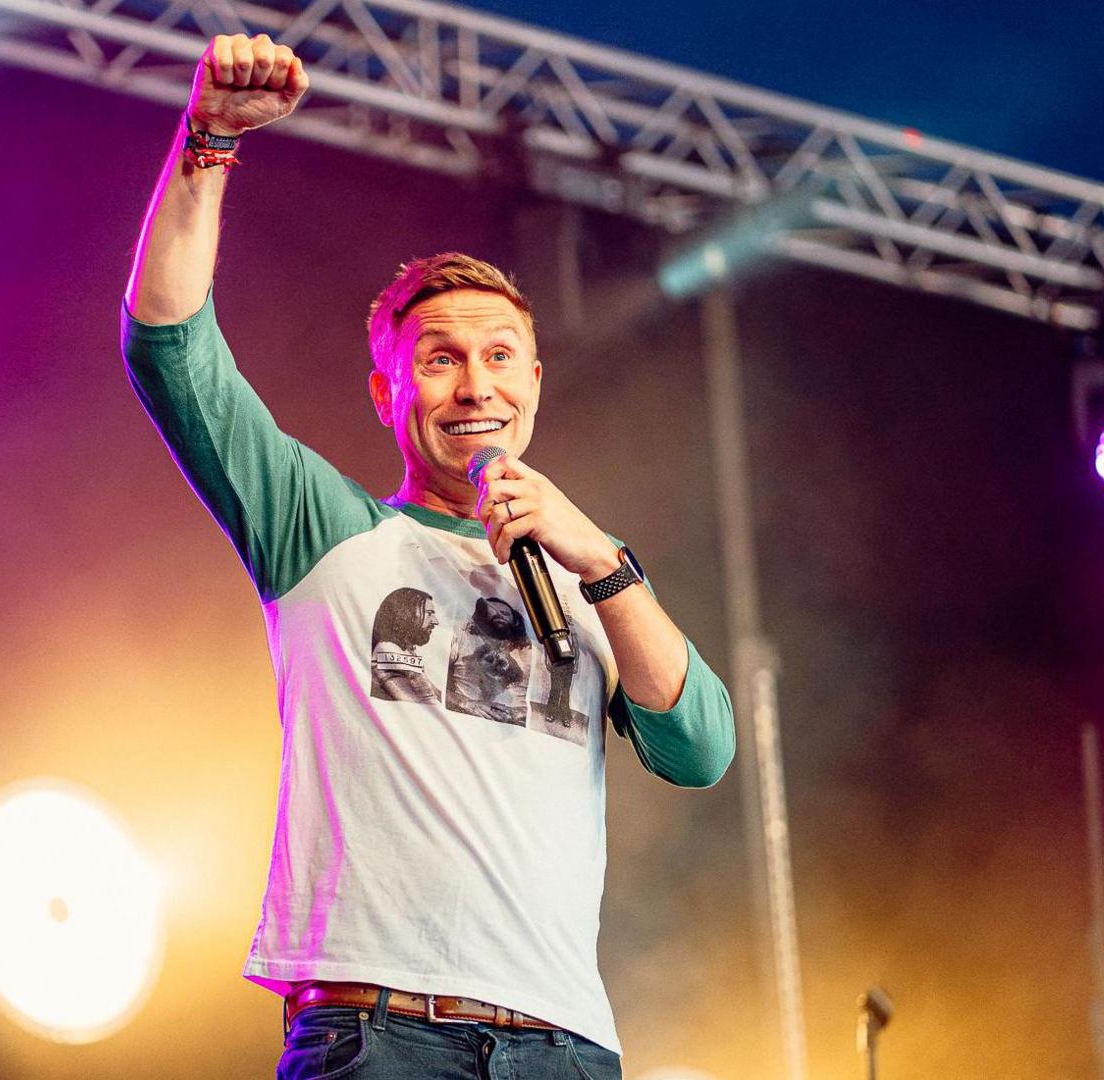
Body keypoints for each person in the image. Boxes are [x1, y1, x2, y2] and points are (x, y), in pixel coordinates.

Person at [121, 32, 736, 1080]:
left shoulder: (589, 579)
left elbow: (699, 750)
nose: (475, 387)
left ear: (535, 383)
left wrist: (604, 561)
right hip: (379, 1030)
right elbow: (169, 344)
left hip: (563, 1045)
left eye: (499, 358)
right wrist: (207, 143)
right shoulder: (322, 528)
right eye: (440, 360)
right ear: (389, 393)